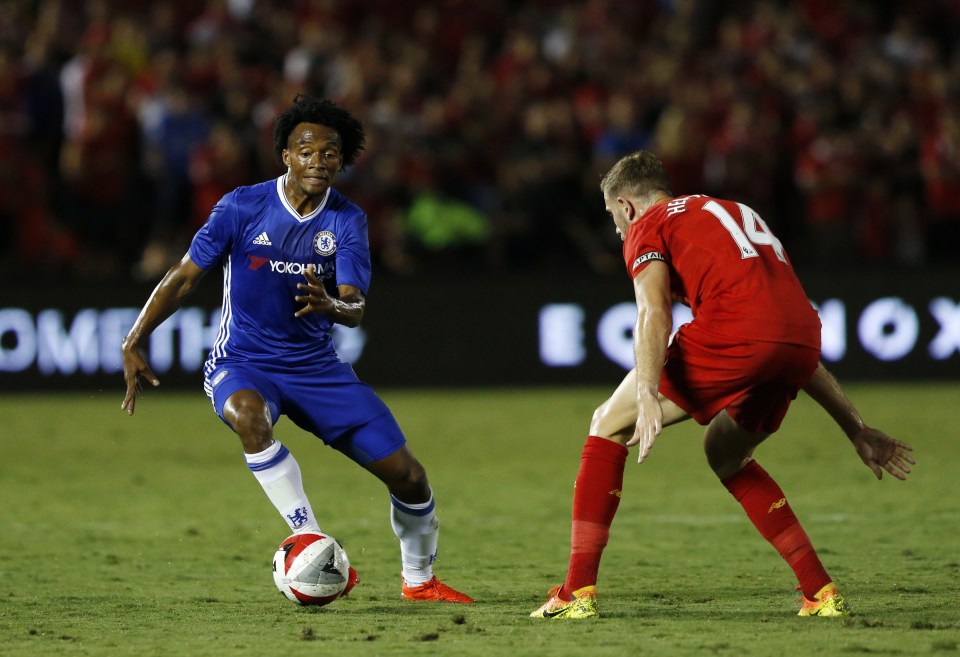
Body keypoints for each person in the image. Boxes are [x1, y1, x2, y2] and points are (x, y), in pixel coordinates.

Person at [530, 150, 915, 619]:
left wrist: (648, 391)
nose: (616, 230)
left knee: (607, 423)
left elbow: (653, 310)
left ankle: (576, 593)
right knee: (726, 454)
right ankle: (821, 593)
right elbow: (783, 333)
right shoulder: (733, 211)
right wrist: (855, 427)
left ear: (627, 207)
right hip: (803, 339)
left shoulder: (648, 225)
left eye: (614, 217)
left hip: (737, 333)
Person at [121, 94, 473, 604]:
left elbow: (355, 308)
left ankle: (419, 582)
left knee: (410, 478)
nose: (318, 161)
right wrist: (134, 339)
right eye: (306, 151)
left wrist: (331, 303)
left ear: (342, 160)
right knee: (248, 417)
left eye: (330, 153)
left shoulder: (346, 221)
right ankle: (307, 537)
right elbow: (183, 278)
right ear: (286, 155)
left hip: (317, 370)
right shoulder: (242, 206)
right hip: (243, 362)